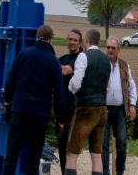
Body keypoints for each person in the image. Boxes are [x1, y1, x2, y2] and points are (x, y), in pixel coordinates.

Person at [1, 24, 65, 175]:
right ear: (50, 40)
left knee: (11, 156)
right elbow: (59, 93)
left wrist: (7, 104)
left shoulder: (24, 54)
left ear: (37, 37)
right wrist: (60, 119)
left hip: (19, 110)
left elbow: (10, 81)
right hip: (40, 115)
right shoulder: (53, 61)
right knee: (33, 159)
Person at [64, 28, 111, 175]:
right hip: (102, 109)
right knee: (96, 154)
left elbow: (76, 82)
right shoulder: (106, 60)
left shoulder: (83, 56)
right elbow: (108, 85)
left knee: (72, 153)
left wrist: (70, 89)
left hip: (85, 108)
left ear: (86, 40)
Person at [102, 38, 137, 175]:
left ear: (118, 50)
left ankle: (119, 171)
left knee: (122, 141)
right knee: (103, 144)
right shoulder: (101, 63)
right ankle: (105, 172)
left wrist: (132, 105)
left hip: (119, 110)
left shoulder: (124, 65)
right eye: (108, 47)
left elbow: (132, 86)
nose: (110, 50)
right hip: (103, 109)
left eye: (113, 48)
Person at [57, 29, 83, 172]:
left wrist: (50, 64)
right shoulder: (64, 58)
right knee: (62, 143)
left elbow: (65, 70)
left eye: (75, 40)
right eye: (70, 39)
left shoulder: (81, 59)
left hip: (75, 108)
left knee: (69, 145)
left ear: (80, 43)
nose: (72, 42)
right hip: (63, 107)